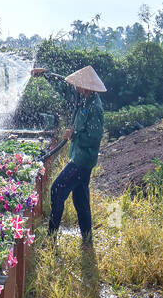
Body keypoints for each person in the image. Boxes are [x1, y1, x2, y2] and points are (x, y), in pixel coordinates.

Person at [30, 65, 106, 248]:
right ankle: (87, 240)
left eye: (79, 85)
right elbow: (65, 87)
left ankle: (51, 238)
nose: (76, 88)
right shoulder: (84, 98)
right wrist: (46, 74)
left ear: (87, 86)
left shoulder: (94, 107)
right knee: (80, 199)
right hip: (79, 157)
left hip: (82, 159)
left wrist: (74, 135)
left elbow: (94, 138)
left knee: (57, 190)